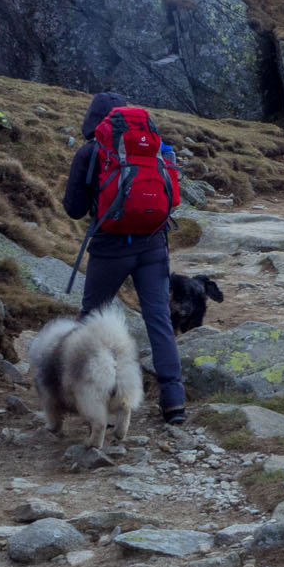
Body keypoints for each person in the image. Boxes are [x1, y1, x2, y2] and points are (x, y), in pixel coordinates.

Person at [63, 91, 186, 426]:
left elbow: (73, 210)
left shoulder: (91, 151)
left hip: (109, 249)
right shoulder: (153, 147)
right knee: (158, 320)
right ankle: (174, 402)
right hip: (153, 246)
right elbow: (172, 198)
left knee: (91, 319)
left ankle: (82, 396)